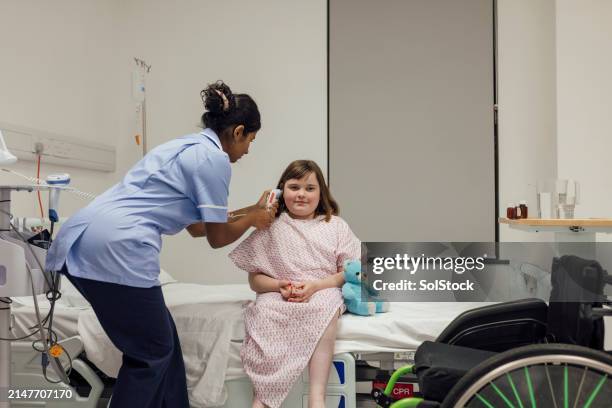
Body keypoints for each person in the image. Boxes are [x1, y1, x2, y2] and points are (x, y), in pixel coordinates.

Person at [45, 81, 276, 408]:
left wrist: (251, 210)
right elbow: (215, 237)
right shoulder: (214, 160)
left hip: (84, 236)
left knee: (165, 344)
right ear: (238, 132)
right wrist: (253, 220)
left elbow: (196, 227)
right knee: (151, 353)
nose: (248, 150)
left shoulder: (186, 146)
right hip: (119, 247)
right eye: (250, 141)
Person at [229, 160, 361, 408]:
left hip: (321, 289)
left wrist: (316, 286)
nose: (301, 194)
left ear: (321, 192)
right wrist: (279, 285)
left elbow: (348, 272)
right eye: (294, 187)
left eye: (310, 188)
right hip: (279, 294)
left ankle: (316, 397)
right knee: (265, 312)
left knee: (325, 308)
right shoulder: (270, 227)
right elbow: (255, 281)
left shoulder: (335, 226)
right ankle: (264, 398)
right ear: (281, 191)